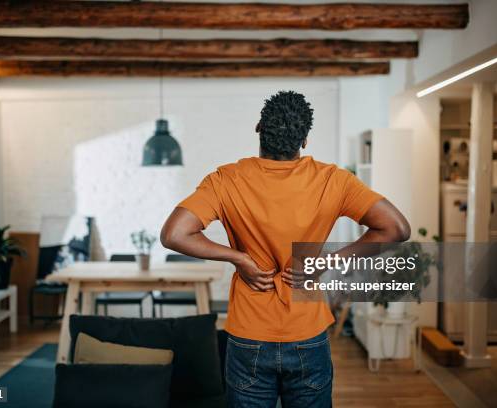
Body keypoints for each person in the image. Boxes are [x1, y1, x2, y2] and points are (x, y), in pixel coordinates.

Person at [161, 90, 410, 407]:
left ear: (258, 128)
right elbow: (397, 228)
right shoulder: (334, 180)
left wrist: (237, 258)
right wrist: (327, 262)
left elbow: (174, 233)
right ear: (304, 141)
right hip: (307, 332)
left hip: (249, 333)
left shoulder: (225, 180)